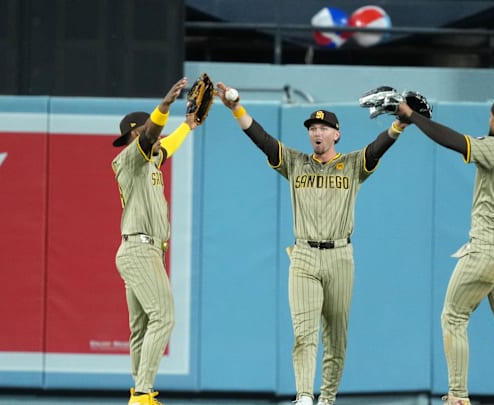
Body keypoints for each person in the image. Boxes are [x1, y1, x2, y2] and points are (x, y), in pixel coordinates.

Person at [214, 81, 407, 405]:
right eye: (312, 128)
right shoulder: (295, 162)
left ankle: (327, 399)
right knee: (304, 333)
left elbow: (377, 148)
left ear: (337, 134)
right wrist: (236, 108)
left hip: (340, 256)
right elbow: (262, 140)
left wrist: (399, 124)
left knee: (336, 338)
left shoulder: (352, 164)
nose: (317, 132)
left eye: (323, 127)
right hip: (303, 256)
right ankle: (304, 395)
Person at [397, 65, 494, 405]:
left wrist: (412, 117)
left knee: (453, 316)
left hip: (488, 250)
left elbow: (450, 140)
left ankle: (458, 396)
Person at [112, 77, 204, 405]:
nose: (157, 134)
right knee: (164, 317)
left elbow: (167, 145)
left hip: (143, 249)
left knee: (140, 328)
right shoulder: (130, 160)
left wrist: (188, 125)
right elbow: (153, 135)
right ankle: (143, 395)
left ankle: (137, 393)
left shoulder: (151, 160)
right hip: (139, 249)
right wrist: (164, 106)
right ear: (136, 135)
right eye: (148, 131)